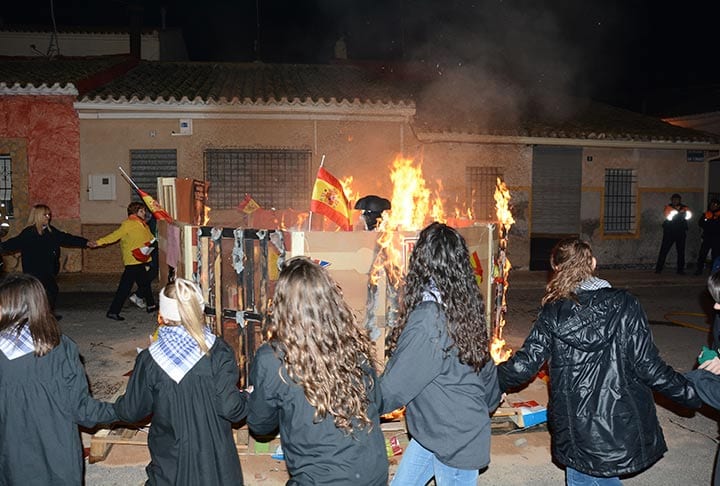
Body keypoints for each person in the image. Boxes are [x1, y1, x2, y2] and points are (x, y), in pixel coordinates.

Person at [498, 238, 701, 485]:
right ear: (592, 263)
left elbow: (523, 365)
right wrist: (689, 392)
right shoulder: (626, 304)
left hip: (576, 424)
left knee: (586, 475)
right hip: (619, 418)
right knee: (593, 477)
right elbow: (648, 365)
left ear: (557, 269)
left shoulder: (553, 311)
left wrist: (488, 379)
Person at [378, 222, 501, 486]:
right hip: (436, 431)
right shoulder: (463, 303)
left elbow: (395, 386)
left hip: (453, 439)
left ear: (421, 262)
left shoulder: (428, 319)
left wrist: (357, 404)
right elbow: (486, 369)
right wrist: (487, 404)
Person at [247, 257, 388, 485]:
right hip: (371, 472)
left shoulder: (272, 358)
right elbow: (378, 401)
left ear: (283, 305)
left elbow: (260, 424)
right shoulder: (354, 344)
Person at [113, 278, 249, 485]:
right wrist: (248, 396)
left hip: (170, 463)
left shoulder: (150, 360)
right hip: (215, 464)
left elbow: (132, 411)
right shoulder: (220, 352)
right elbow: (232, 409)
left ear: (163, 317)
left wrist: (114, 406)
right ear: (199, 312)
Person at [0, 273, 117, 485]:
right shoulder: (61, 349)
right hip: (56, 464)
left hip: (9, 464)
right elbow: (82, 411)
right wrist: (121, 409)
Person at [0, 204, 94, 314]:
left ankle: (47, 315)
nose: (48, 217)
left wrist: (85, 242)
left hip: (48, 270)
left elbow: (67, 238)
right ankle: (40, 317)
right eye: (45, 214)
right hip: (34, 271)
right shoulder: (29, 233)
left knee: (51, 292)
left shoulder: (51, 232)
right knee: (38, 295)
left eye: (49, 214)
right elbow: (12, 244)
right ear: (38, 216)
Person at [94, 202, 157, 321]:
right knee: (125, 287)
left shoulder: (143, 225)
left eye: (144, 211)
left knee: (144, 283)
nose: (144, 213)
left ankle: (151, 305)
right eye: (141, 211)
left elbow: (150, 239)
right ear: (134, 212)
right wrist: (98, 242)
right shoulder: (128, 224)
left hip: (140, 260)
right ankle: (113, 311)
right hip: (132, 261)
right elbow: (114, 236)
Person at [655, 193, 692, 274]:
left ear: (680, 200)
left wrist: (678, 215)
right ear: (671, 200)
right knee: (664, 250)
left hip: (681, 232)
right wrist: (680, 215)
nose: (675, 201)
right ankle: (658, 269)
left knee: (681, 252)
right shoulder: (668, 208)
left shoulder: (685, 208)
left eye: (677, 199)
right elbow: (669, 218)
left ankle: (680, 270)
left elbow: (688, 217)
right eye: (674, 199)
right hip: (669, 232)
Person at [695, 199, 720, 275]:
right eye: (712, 205)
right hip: (707, 237)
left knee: (715, 255)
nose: (713, 206)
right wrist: (707, 221)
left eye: (715, 205)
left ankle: (714, 272)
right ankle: (699, 270)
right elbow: (700, 223)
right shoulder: (706, 214)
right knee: (702, 254)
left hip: (717, 238)